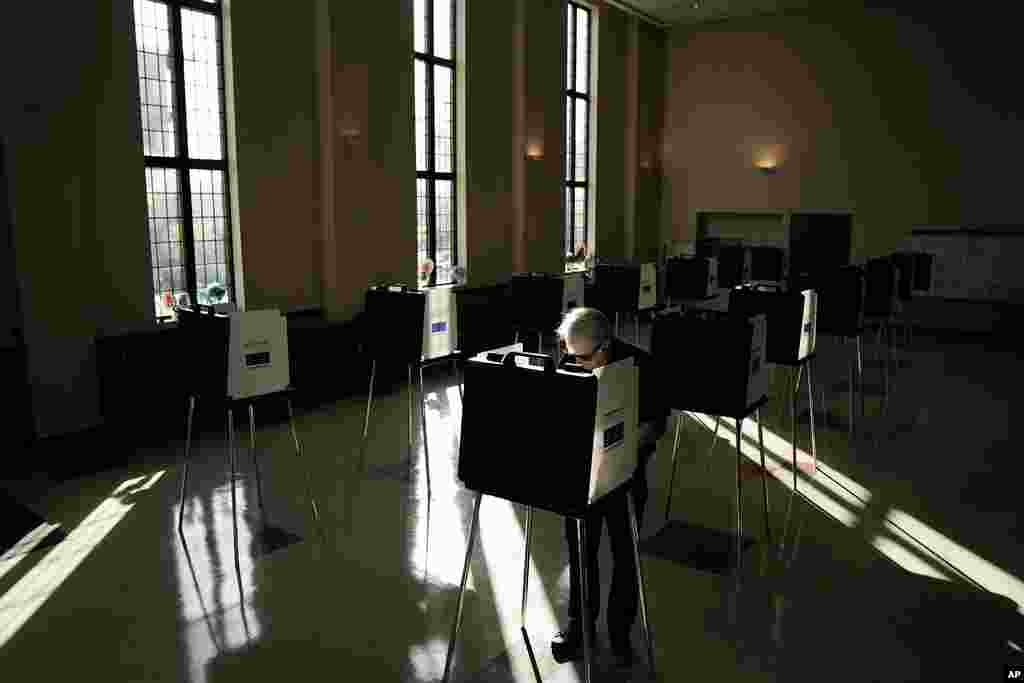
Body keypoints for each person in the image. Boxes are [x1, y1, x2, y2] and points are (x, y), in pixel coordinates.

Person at [551, 307, 669, 671]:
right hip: (581, 479)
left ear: (604, 347)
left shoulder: (642, 366)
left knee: (624, 558)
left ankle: (620, 633)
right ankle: (579, 630)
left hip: (625, 478)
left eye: (582, 358)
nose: (574, 362)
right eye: (569, 354)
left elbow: (656, 424)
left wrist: (626, 446)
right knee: (581, 556)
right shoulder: (572, 358)